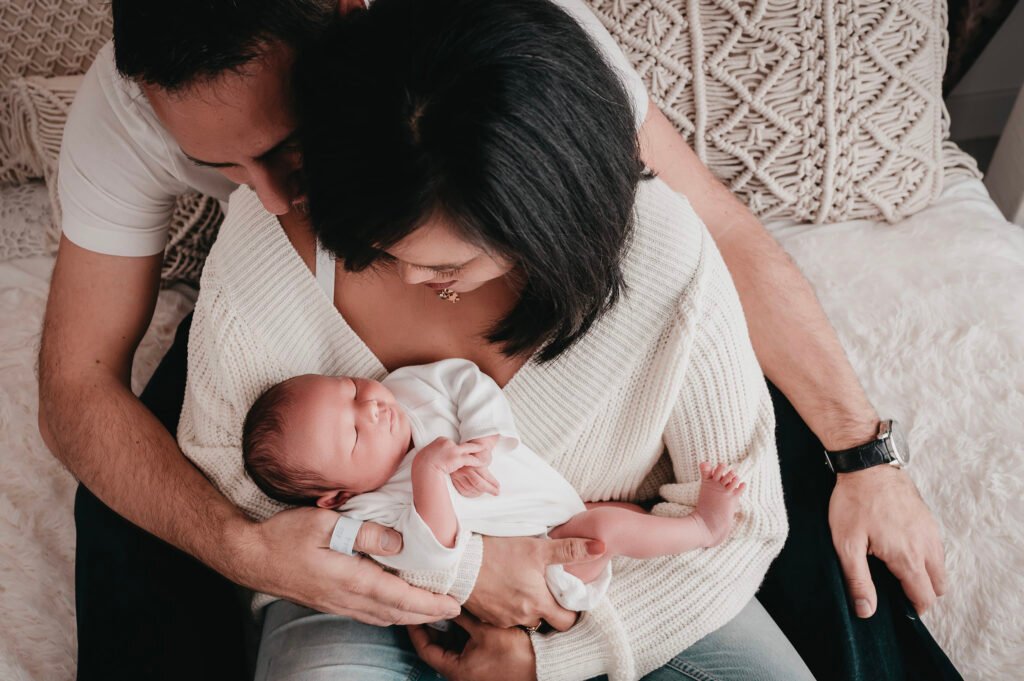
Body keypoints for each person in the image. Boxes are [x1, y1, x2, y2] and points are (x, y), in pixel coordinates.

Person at [33, 0, 954, 679]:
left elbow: (724, 242)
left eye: (288, 149)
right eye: (221, 169)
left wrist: (865, 448)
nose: (266, 193)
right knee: (138, 517)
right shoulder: (228, 202)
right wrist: (244, 545)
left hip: (562, 334)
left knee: (783, 505)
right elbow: (79, 385)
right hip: (349, 468)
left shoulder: (528, 69)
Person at [176, 2, 801, 677]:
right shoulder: (272, 237)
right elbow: (232, 474)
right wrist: (462, 568)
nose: (411, 278)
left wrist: (544, 657)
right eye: (382, 249)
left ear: (546, 220)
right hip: (357, 593)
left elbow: (745, 521)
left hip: (617, 587)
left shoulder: (664, 258)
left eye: (447, 266)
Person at [241, 361, 747, 612]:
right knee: (603, 530)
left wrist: (484, 435)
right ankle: (702, 527)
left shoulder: (407, 390)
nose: (371, 408)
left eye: (351, 391)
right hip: (547, 558)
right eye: (354, 434)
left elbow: (465, 378)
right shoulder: (367, 511)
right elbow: (429, 555)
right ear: (335, 496)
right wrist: (427, 475)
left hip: (551, 504)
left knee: (605, 513)